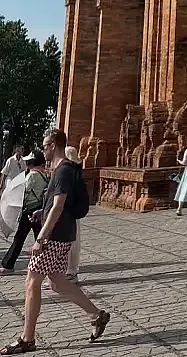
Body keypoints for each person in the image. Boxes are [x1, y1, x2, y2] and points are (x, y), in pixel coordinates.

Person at [0, 129, 110, 354]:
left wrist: (41, 237)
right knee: (57, 282)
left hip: (53, 236)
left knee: (31, 282)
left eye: (44, 145)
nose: (42, 150)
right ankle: (97, 315)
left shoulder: (61, 171)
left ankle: (27, 338)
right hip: (63, 233)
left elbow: (59, 205)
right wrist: (43, 212)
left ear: (53, 145)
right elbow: (57, 204)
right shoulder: (65, 170)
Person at [0, 150, 49, 274]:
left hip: (29, 211)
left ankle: (8, 265)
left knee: (19, 238)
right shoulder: (44, 174)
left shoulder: (32, 175)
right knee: (40, 238)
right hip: (38, 209)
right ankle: (46, 265)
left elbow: (24, 191)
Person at [63, 148, 81, 283]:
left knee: (70, 243)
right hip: (73, 211)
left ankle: (70, 272)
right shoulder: (76, 171)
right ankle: (70, 271)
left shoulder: (69, 173)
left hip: (69, 211)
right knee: (73, 242)